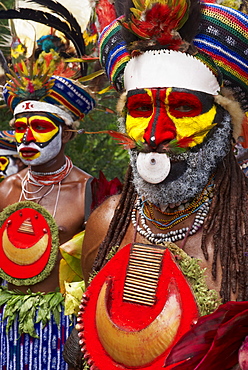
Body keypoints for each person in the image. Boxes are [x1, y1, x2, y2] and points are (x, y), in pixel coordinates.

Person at [63, 0, 248, 369]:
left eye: (182, 108)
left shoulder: (241, 231)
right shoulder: (106, 224)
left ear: (224, 121)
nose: (154, 134)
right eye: (140, 109)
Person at [0, 32, 95, 370]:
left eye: (39, 125)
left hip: (61, 328)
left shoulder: (87, 190)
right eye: (18, 128)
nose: (26, 138)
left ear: (67, 132)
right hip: (6, 322)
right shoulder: (6, 188)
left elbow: (97, 271)